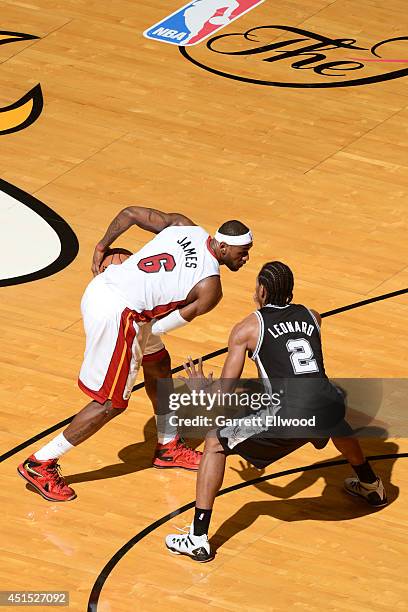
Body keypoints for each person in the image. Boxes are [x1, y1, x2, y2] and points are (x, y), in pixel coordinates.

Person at [17, 206, 253, 502]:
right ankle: (41, 463)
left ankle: (168, 447)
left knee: (159, 364)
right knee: (110, 403)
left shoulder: (183, 226)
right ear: (221, 246)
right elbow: (163, 325)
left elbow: (129, 214)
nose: (245, 259)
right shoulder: (210, 287)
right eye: (241, 252)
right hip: (121, 314)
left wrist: (103, 245)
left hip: (103, 286)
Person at [165, 261, 387, 562]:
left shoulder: (247, 329)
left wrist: (202, 388)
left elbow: (224, 393)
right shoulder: (312, 316)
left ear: (262, 290)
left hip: (291, 412)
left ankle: (198, 538)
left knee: (215, 441)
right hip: (328, 402)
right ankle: (372, 485)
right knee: (335, 418)